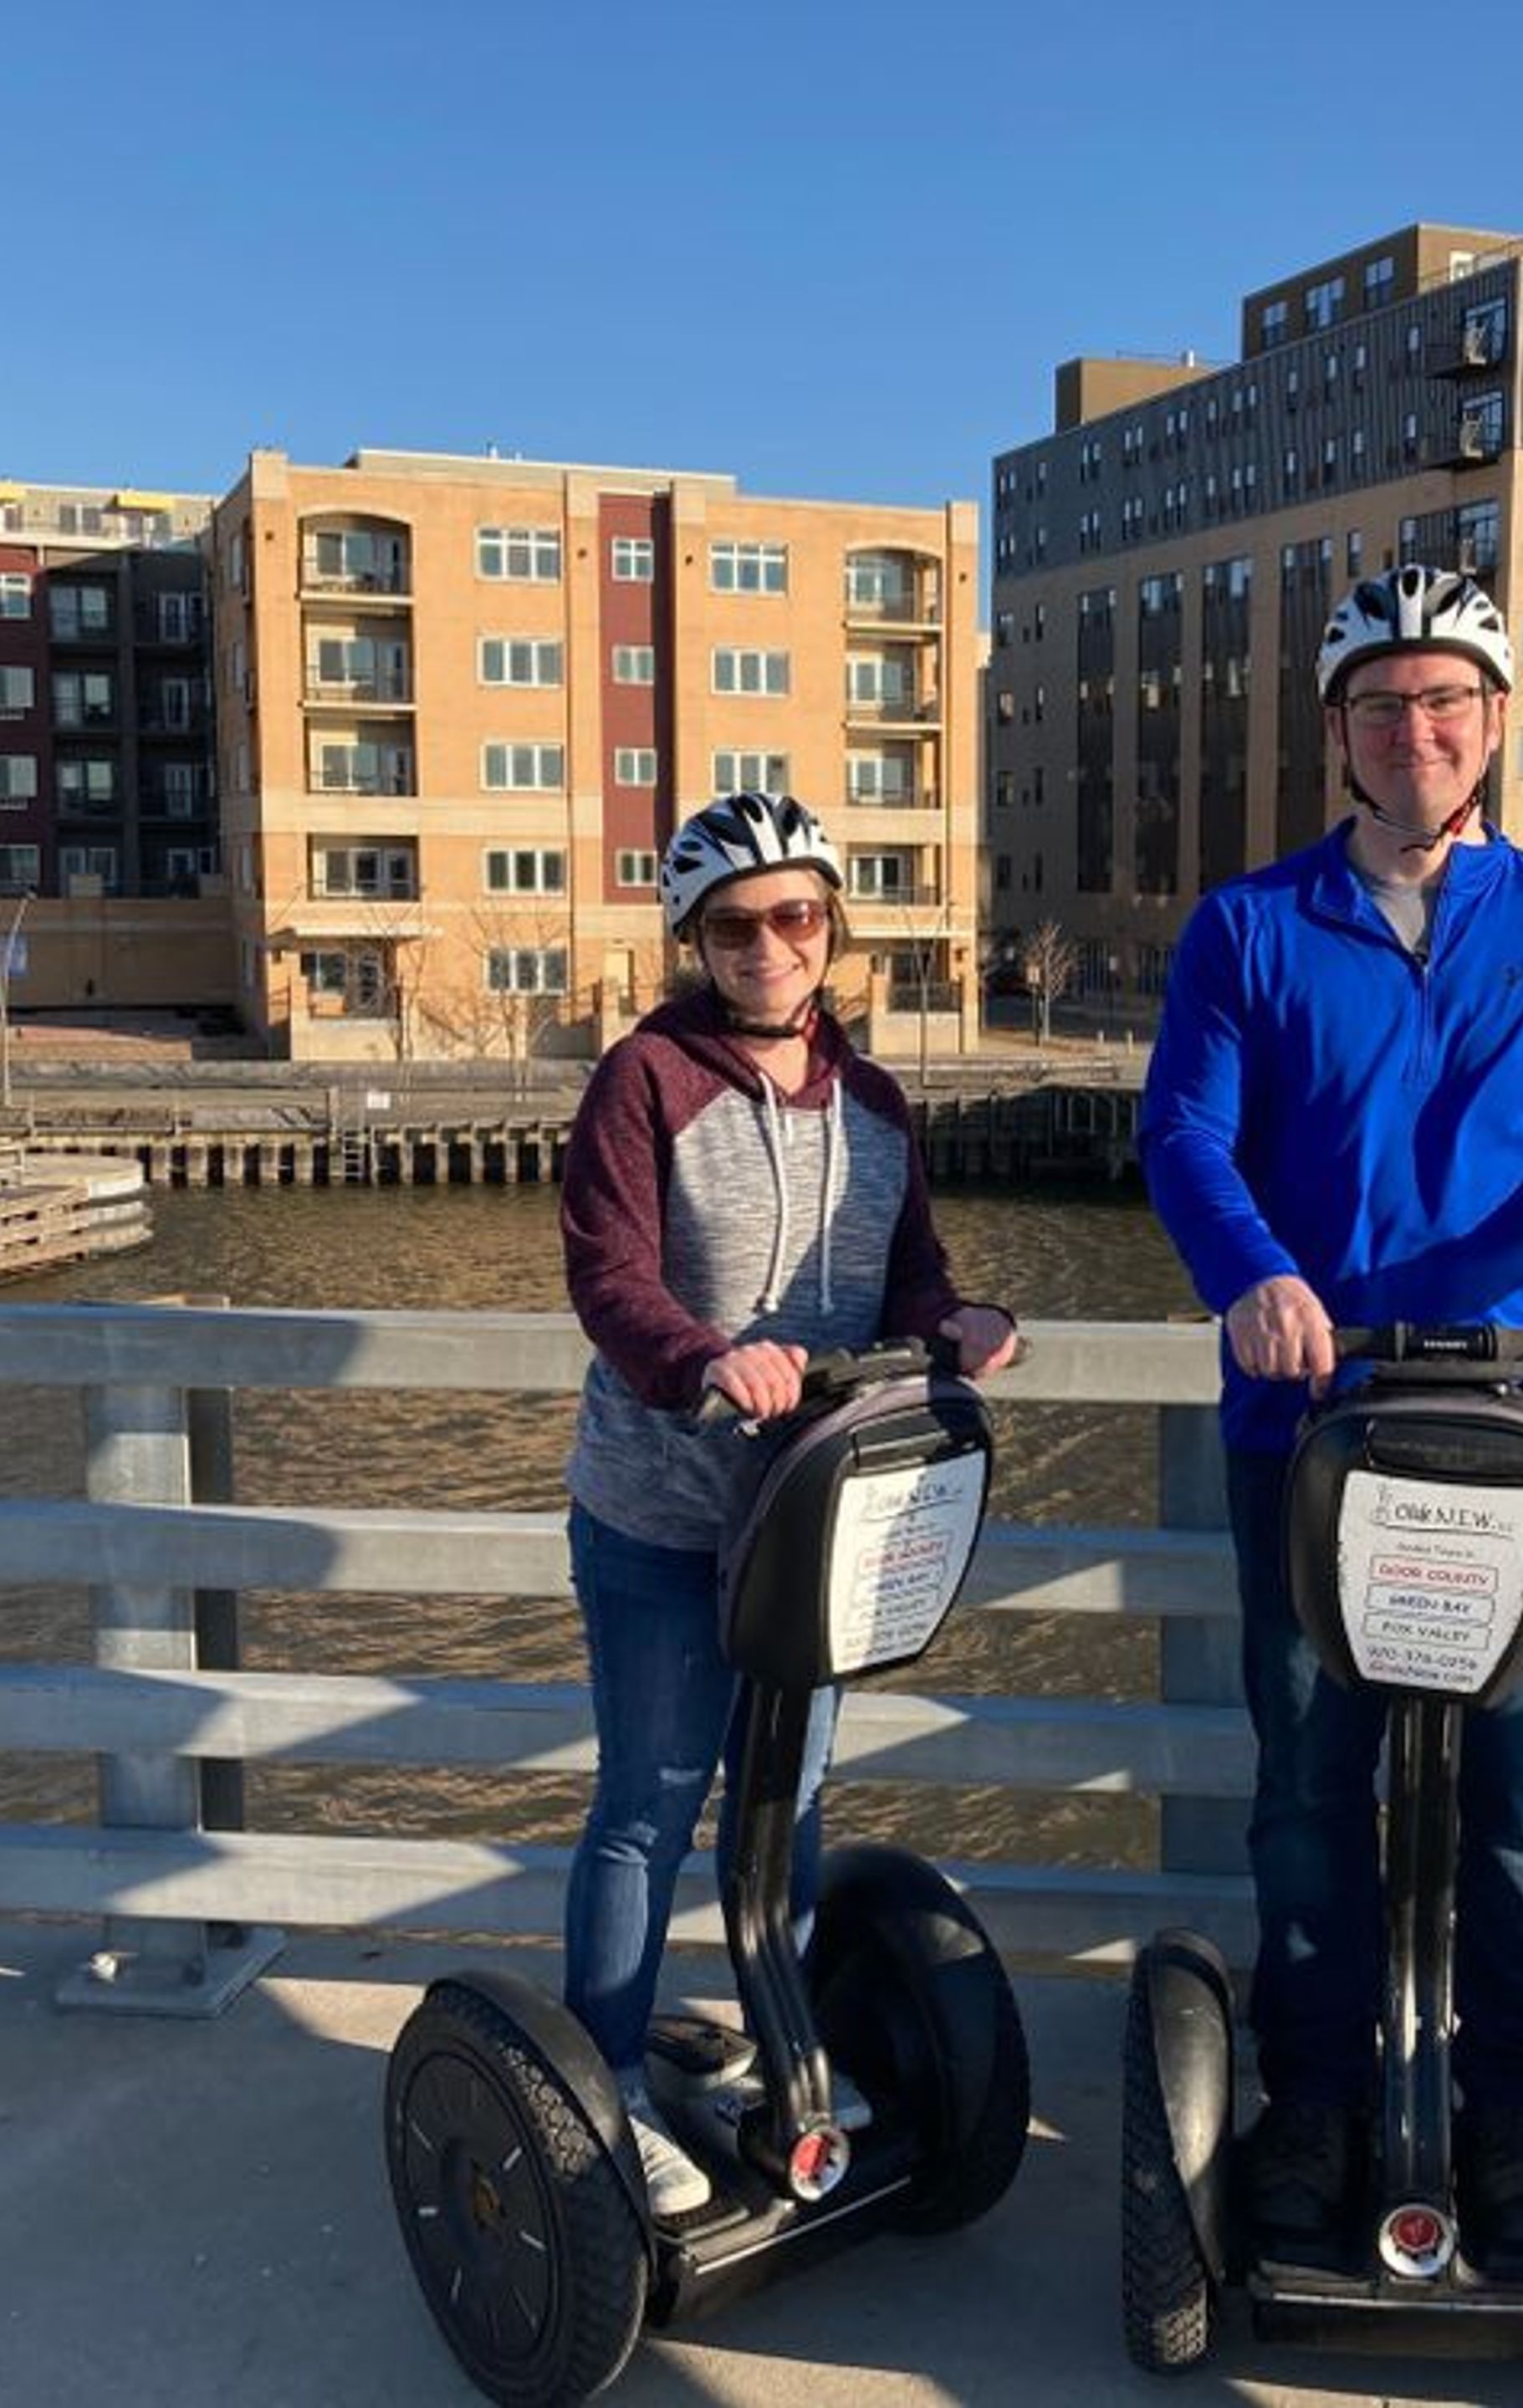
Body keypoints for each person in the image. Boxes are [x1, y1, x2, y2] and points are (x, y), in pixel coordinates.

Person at [1138, 564, 1523, 2258]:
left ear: (1493, 726)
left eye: (1448, 702)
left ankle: (1515, 2106)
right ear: (1341, 734)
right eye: (1384, 706)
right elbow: (1185, 1138)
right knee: (1312, 1778)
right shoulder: (1248, 928)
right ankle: (1309, 2095)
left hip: (1519, 1420)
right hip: (1310, 1422)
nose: (1418, 731)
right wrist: (1249, 1273)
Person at [560, 791, 1019, 2214]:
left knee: (792, 1796)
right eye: (738, 924)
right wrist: (706, 1356)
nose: (771, 945)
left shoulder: (875, 1101)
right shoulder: (645, 1080)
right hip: (664, 1507)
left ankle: (782, 2042)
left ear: (833, 928)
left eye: (797, 916)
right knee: (650, 1801)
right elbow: (610, 1277)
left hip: (819, 1515)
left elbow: (910, 1274)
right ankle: (613, 2085)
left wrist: (956, 1322)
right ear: (696, 938)